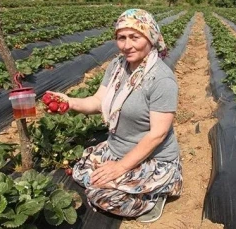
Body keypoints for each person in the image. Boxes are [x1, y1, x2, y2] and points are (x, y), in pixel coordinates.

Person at [48, 9, 183, 223]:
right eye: (121, 38)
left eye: (134, 37)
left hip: (152, 157)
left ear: (150, 37)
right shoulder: (117, 66)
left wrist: (120, 167)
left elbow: (158, 134)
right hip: (117, 148)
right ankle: (133, 185)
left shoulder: (161, 79)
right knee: (82, 172)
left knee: (100, 195)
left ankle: (154, 196)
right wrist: (69, 102)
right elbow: (98, 101)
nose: (126, 45)